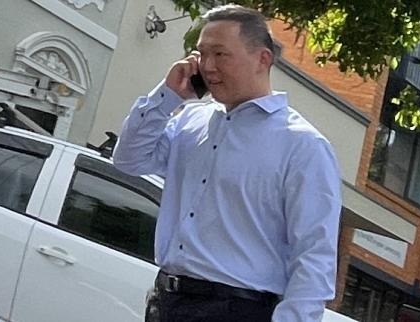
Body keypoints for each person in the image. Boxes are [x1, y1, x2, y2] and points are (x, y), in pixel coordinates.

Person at [113, 4, 342, 322]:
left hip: (238, 310)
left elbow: (314, 254)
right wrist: (167, 96)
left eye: (220, 54)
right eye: (201, 53)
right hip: (167, 301)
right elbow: (128, 159)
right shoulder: (190, 118)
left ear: (263, 59)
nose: (207, 66)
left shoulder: (304, 146)